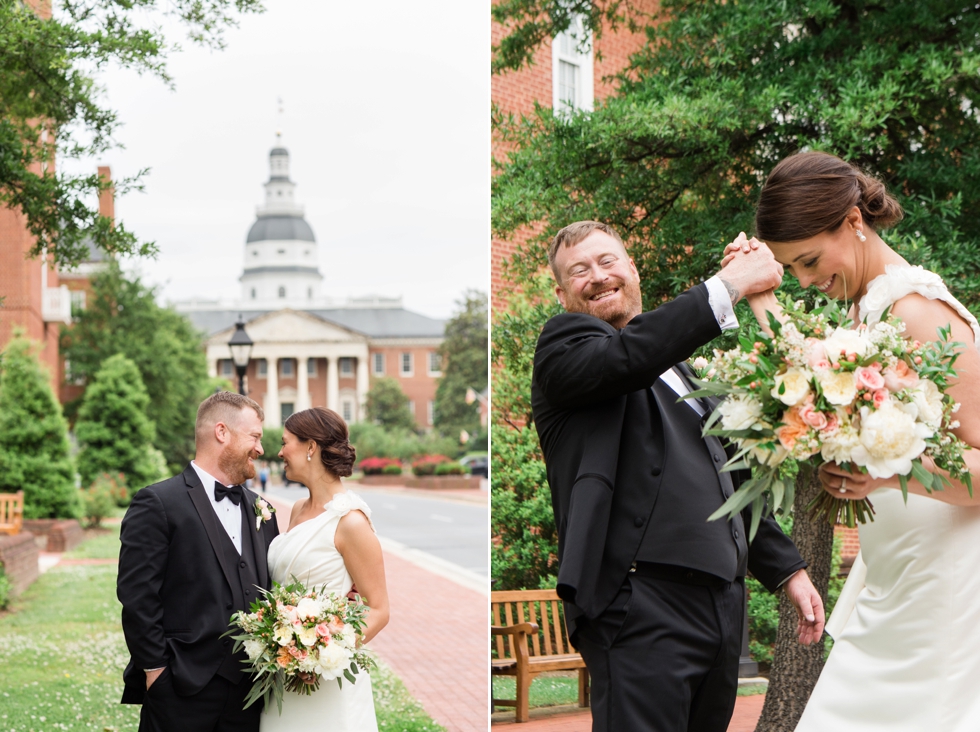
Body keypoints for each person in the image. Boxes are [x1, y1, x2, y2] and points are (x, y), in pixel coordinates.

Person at [532, 221, 825, 732]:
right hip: (639, 605)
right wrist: (730, 283)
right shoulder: (567, 349)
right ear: (562, 293)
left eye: (608, 262)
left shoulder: (686, 375)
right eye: (579, 271)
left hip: (720, 608)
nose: (597, 277)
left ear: (632, 269)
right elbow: (630, 357)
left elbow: (731, 483)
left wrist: (788, 572)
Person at [729, 151, 980, 731]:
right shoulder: (865, 316)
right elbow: (806, 380)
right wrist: (761, 297)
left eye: (809, 260)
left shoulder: (917, 310)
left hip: (941, 592)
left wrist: (887, 475)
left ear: (852, 220)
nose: (806, 280)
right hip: (892, 578)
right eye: (791, 268)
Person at [118, 391, 279, 732]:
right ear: (222, 432)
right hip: (179, 688)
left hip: (250, 695)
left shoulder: (261, 510)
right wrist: (155, 673)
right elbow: (137, 597)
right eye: (255, 437)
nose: (261, 449)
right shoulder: (158, 503)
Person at [260, 406, 389, 731]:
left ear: (310, 447)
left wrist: (322, 654)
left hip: (328, 678)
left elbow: (379, 609)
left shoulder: (351, 522)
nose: (279, 452)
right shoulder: (299, 509)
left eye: (285, 442)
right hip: (283, 672)